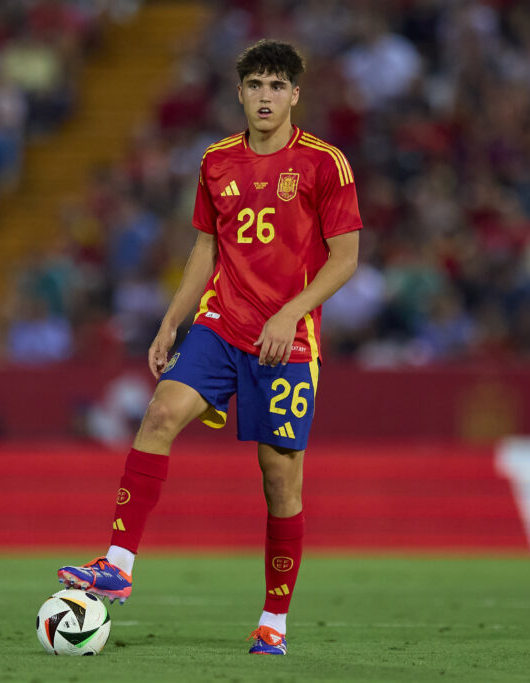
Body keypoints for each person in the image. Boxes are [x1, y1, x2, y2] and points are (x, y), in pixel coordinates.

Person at [57, 39, 362, 655]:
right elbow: (206, 247)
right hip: (221, 325)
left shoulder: (325, 164)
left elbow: (347, 258)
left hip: (287, 343)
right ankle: (117, 564)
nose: (267, 97)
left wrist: (291, 313)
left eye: (278, 86)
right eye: (256, 85)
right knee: (160, 412)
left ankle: (273, 621)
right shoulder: (217, 160)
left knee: (280, 483)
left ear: (295, 95)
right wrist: (172, 320)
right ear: (240, 93)